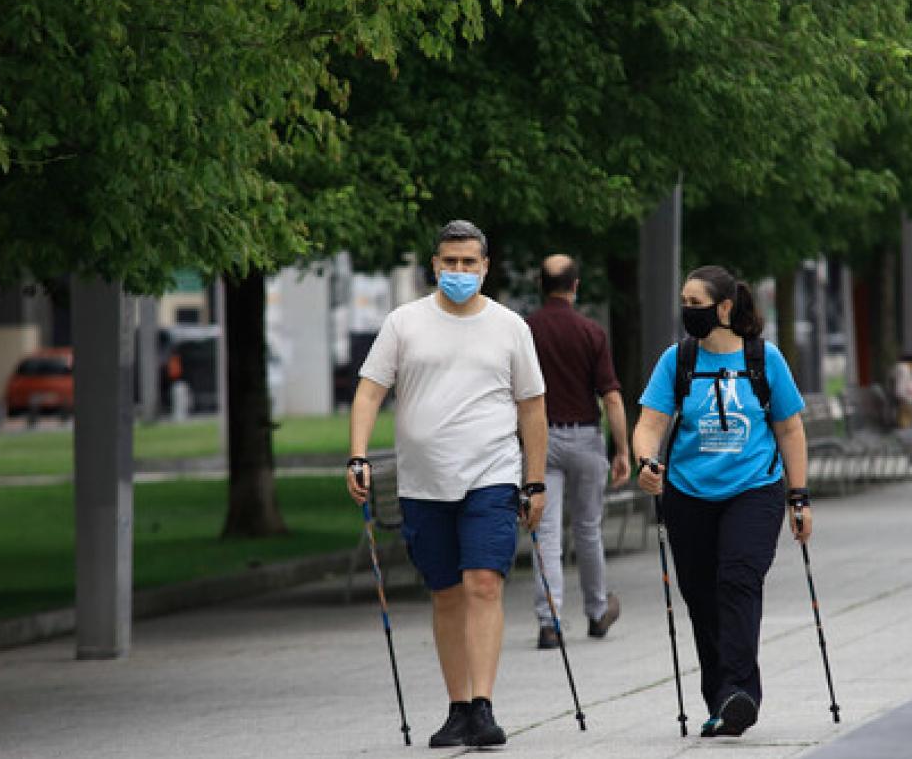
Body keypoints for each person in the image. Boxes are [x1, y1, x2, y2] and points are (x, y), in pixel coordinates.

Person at [346, 220, 548, 748]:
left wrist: (534, 480)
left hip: (492, 475)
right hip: (423, 482)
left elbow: (532, 409)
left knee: (484, 582)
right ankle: (457, 705)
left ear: (485, 266)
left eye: (468, 262)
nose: (458, 271)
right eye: (449, 262)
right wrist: (357, 455)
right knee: (445, 592)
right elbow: (370, 393)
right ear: (434, 265)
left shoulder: (510, 327)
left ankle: (483, 705)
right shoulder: (403, 323)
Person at [632, 265, 812, 739]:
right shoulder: (678, 360)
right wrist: (646, 461)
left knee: (737, 579)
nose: (687, 312)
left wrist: (799, 496)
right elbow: (650, 423)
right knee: (701, 597)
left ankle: (741, 691)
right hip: (688, 494)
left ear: (725, 307)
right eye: (684, 303)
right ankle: (721, 701)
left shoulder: (764, 359)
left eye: (696, 303)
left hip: (754, 489)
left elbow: (790, 429)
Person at [525, 254, 631, 650]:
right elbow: (612, 398)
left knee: (546, 531)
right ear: (576, 286)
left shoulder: (525, 331)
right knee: (588, 529)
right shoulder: (591, 332)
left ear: (540, 285)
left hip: (540, 440)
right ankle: (597, 611)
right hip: (586, 437)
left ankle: (549, 622)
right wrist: (622, 450)